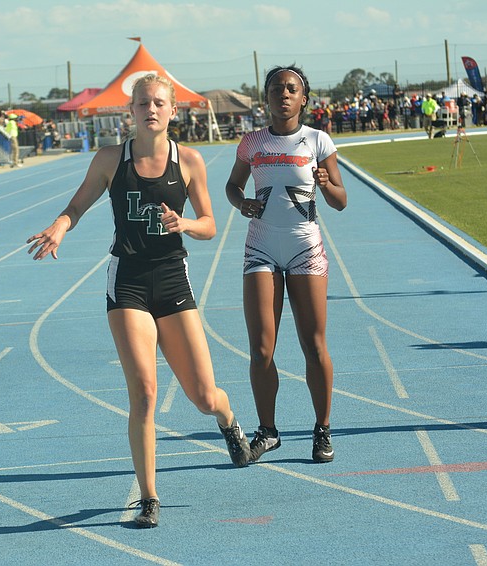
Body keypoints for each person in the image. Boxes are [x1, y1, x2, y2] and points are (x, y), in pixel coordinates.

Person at [27, 73, 251, 528]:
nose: (151, 109)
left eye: (159, 103)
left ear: (172, 111)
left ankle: (228, 421)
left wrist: (185, 225)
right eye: (143, 103)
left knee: (204, 396)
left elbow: (209, 223)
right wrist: (59, 226)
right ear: (130, 111)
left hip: (173, 281)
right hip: (127, 282)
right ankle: (148, 496)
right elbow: (77, 206)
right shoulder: (111, 160)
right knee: (144, 392)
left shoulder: (188, 161)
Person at [224, 65, 347, 465]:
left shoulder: (317, 140)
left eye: (292, 89)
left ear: (304, 98)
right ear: (267, 97)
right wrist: (241, 202)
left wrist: (327, 185)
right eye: (277, 88)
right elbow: (232, 185)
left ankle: (322, 428)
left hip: (304, 250)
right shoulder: (252, 142)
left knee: (313, 346)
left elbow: (341, 200)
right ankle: (268, 431)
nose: (284, 94)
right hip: (260, 248)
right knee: (261, 350)